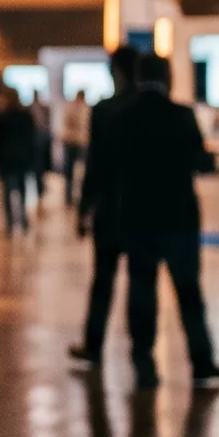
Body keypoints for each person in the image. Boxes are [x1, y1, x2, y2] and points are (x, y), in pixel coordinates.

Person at [105, 52, 219, 388]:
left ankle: (143, 364)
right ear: (168, 76)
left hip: (138, 216)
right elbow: (201, 160)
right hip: (178, 218)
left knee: (142, 290)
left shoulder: (123, 118)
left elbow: (111, 168)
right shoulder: (181, 116)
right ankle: (201, 362)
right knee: (189, 292)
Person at [70, 45, 145, 368]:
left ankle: (94, 344)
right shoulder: (145, 109)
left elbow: (96, 166)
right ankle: (141, 350)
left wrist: (85, 207)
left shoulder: (104, 111)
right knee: (140, 283)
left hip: (110, 210)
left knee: (103, 280)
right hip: (140, 210)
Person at [0, 90, 39, 232]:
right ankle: (23, 219)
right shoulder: (25, 116)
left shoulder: (4, 116)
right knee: (21, 190)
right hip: (22, 158)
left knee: (8, 190)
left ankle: (11, 222)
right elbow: (32, 138)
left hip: (8, 158)